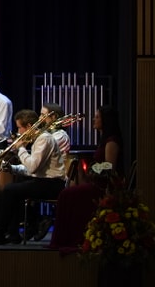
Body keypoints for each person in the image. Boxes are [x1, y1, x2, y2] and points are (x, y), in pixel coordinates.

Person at [0, 108, 67, 245]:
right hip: (44, 181)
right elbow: (34, 170)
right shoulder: (40, 139)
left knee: (9, 190)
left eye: (19, 128)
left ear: (29, 126)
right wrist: (13, 168)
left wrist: (21, 148)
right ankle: (12, 234)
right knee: (14, 190)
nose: (18, 132)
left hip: (53, 184)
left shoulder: (44, 139)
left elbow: (32, 167)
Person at [48, 104, 123, 252]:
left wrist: (91, 168)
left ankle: (69, 239)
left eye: (97, 117)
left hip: (103, 188)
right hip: (97, 184)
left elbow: (109, 168)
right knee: (67, 193)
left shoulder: (111, 142)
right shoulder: (104, 140)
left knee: (66, 194)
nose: (94, 119)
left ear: (105, 120)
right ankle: (67, 237)